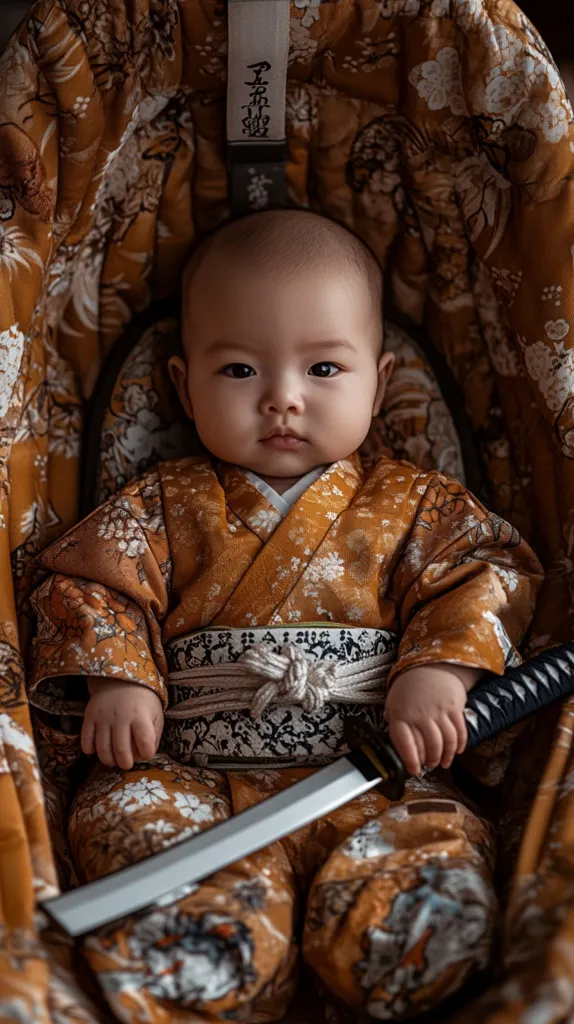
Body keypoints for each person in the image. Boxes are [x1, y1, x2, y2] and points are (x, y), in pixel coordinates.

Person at [29, 209, 542, 1022]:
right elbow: (92, 587)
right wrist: (118, 676)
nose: (282, 399)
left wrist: (440, 668)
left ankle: (399, 932)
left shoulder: (414, 506)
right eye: (237, 371)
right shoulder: (161, 506)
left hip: (380, 770)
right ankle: (208, 945)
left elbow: (490, 572)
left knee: (430, 843)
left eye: (325, 370)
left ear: (381, 379)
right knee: (134, 820)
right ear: (180, 383)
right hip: (189, 767)